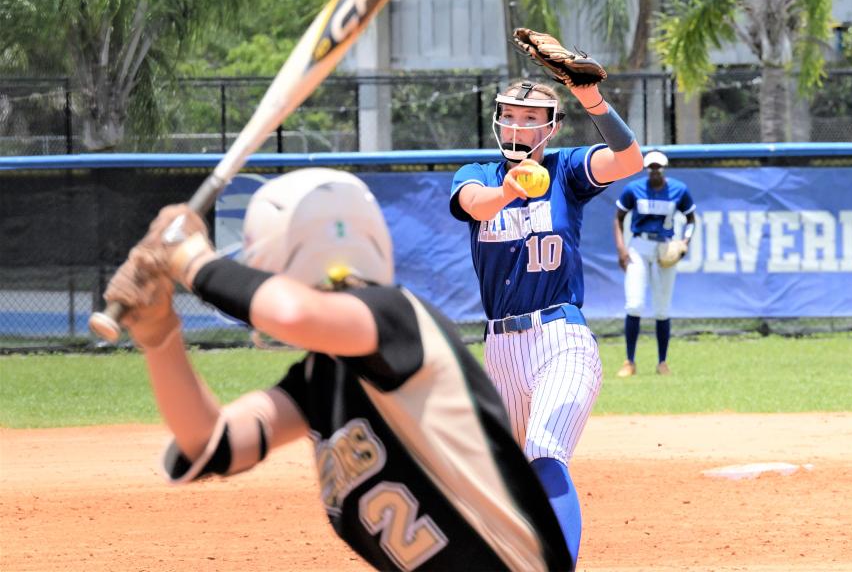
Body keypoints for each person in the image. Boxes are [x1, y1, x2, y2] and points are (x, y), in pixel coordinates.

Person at [104, 168, 572, 572]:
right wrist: (158, 333)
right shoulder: (320, 378)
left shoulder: (396, 320)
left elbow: (292, 313)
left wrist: (192, 260)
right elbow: (214, 442)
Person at [449, 60, 644, 564]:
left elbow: (628, 162)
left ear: (552, 128)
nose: (518, 125)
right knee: (512, 475)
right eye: (510, 115)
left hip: (561, 337)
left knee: (544, 450)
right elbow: (477, 205)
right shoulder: (477, 176)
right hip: (500, 350)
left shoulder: (568, 171)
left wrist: (592, 99)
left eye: (532, 117)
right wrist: (510, 189)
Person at [612, 150, 697, 377]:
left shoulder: (678, 190)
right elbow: (619, 217)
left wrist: (685, 242)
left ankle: (662, 362)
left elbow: (691, 219)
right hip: (639, 245)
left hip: (665, 248)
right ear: (646, 168)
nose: (655, 171)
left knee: (662, 308)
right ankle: (629, 361)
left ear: (664, 167)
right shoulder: (634, 189)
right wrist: (622, 249)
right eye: (651, 167)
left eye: (658, 167)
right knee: (634, 304)